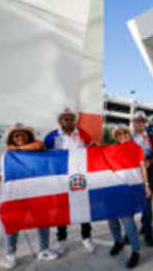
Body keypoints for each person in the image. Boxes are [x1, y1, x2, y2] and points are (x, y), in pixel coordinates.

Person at [0, 123, 58, 269]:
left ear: (29, 136)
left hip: (38, 194)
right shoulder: (7, 156)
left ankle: (43, 250)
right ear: (11, 138)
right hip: (16, 196)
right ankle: (10, 254)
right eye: (16, 135)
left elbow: (39, 145)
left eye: (23, 134)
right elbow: (0, 179)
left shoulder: (36, 150)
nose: (20, 137)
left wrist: (17, 148)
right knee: (12, 224)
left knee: (43, 222)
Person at [43, 107, 97, 254]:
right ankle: (61, 240)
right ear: (60, 121)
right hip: (59, 177)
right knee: (61, 208)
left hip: (79, 177)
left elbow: (92, 149)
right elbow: (44, 155)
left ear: (74, 120)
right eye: (65, 118)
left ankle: (86, 237)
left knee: (83, 205)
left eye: (71, 118)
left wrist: (93, 148)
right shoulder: (52, 136)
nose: (68, 121)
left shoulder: (82, 134)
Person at [107, 124, 151, 269]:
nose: (123, 136)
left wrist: (146, 185)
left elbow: (143, 167)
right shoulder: (110, 150)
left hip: (131, 188)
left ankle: (135, 251)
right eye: (119, 134)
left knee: (127, 220)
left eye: (125, 133)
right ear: (115, 137)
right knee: (112, 219)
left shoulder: (137, 148)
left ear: (129, 134)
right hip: (114, 188)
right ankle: (118, 241)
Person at [131, 111, 153, 246]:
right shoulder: (128, 135)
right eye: (137, 121)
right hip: (132, 174)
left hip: (148, 173)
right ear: (133, 122)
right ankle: (128, 234)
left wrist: (150, 162)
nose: (140, 123)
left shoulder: (150, 136)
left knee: (147, 205)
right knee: (130, 205)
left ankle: (148, 233)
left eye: (142, 121)